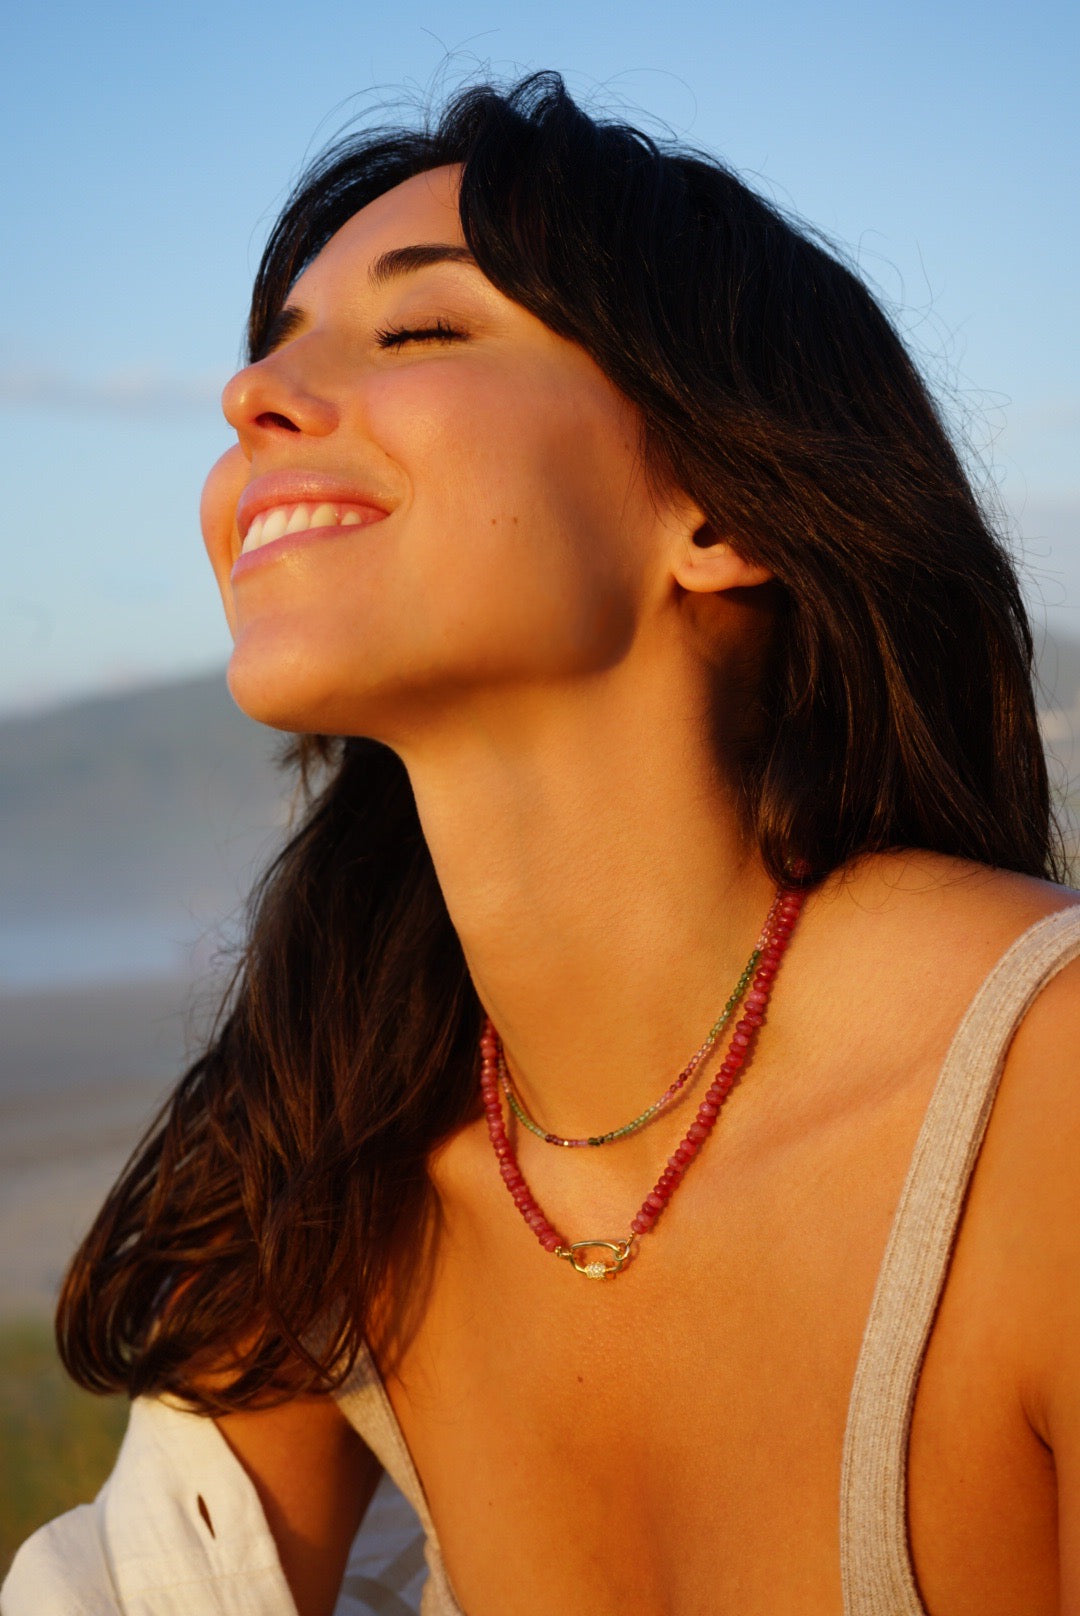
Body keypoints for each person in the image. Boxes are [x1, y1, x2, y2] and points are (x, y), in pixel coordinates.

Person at [4, 71, 1079, 1616]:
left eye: (422, 328)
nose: (251, 400)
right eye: (271, 356)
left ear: (716, 507)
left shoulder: (1041, 1106)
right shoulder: (356, 1145)